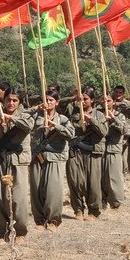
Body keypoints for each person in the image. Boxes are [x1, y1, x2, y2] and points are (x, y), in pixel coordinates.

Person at [0, 86, 34, 241]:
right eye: (8, 100)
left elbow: (28, 126)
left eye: (15, 100)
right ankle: (1, 232)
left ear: (19, 102)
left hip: (17, 161)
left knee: (18, 199)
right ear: (3, 100)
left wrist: (11, 118)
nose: (11, 103)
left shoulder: (25, 115)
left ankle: (20, 231)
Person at [29, 92, 76, 229]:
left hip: (55, 158)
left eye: (50, 100)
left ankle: (53, 220)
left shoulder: (63, 119)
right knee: (36, 189)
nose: (47, 103)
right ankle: (39, 220)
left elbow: (71, 134)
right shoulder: (35, 118)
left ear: (56, 102)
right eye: (44, 100)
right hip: (37, 157)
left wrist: (55, 126)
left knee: (53, 191)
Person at [67, 89, 108, 220]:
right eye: (81, 99)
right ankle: (78, 209)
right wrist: (73, 98)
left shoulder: (99, 114)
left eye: (86, 99)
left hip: (93, 152)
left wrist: (92, 120)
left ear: (92, 100)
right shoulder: (72, 111)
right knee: (75, 181)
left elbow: (104, 131)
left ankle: (93, 211)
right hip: (76, 152)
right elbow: (58, 104)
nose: (83, 101)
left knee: (93, 183)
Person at [101, 93, 130, 210]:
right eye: (104, 101)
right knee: (101, 178)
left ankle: (116, 202)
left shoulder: (120, 115)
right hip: (100, 150)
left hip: (113, 150)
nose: (106, 103)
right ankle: (102, 201)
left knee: (114, 178)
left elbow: (125, 130)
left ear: (113, 102)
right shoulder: (98, 114)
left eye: (108, 101)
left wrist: (113, 119)